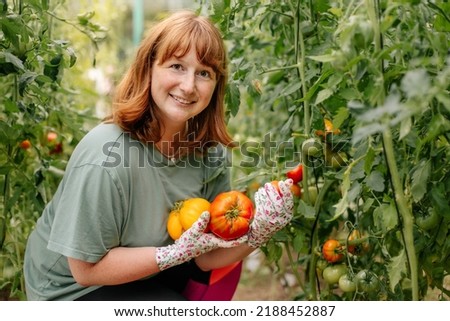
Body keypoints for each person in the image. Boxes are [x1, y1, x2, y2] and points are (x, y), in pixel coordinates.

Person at [23, 10, 294, 301]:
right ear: (148, 68)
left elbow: (206, 257)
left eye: (204, 73)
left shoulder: (210, 154)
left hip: (150, 266)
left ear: (216, 85)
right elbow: (85, 270)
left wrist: (258, 233)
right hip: (72, 291)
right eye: (177, 66)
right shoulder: (106, 155)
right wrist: (173, 254)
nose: (189, 86)